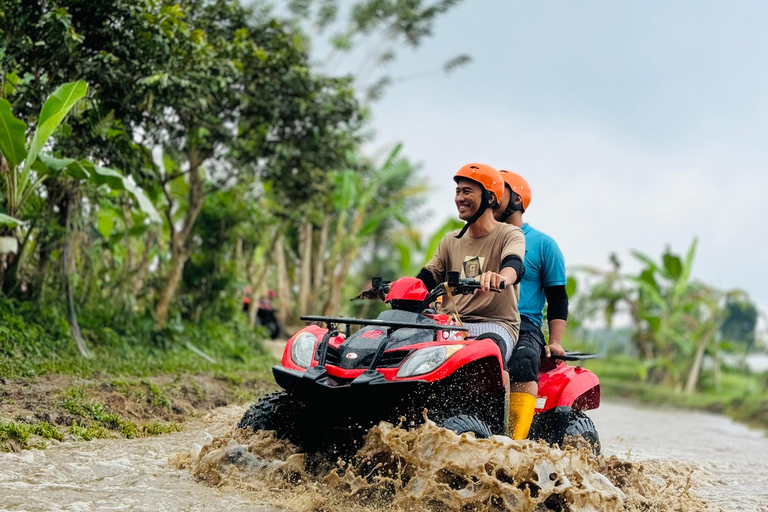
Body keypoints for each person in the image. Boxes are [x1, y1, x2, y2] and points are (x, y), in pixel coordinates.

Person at [416, 163, 526, 368]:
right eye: (458, 192)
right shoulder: (451, 240)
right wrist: (403, 288)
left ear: (490, 198)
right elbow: (428, 276)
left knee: (487, 359)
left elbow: (514, 264)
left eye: (467, 191)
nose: (459, 198)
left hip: (495, 325)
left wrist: (502, 278)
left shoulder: (510, 234)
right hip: (449, 325)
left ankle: (501, 400)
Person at [493, 170, 568, 440]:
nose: (491, 196)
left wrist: (556, 342)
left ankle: (515, 443)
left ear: (516, 199)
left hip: (524, 323)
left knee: (524, 360)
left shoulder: (545, 245)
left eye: (498, 191)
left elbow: (557, 297)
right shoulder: (476, 239)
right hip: (476, 318)